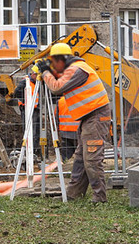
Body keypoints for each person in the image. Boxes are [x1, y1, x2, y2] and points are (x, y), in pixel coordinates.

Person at [36, 42, 111, 203]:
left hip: (96, 116)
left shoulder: (77, 69)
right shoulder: (75, 68)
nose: (53, 65)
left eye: (53, 61)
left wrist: (45, 72)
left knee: (92, 158)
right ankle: (73, 194)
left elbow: (56, 88)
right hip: (89, 116)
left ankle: (100, 197)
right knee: (80, 158)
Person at [12, 65, 41, 155]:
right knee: (30, 131)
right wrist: (27, 102)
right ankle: (29, 150)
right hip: (27, 109)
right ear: (33, 74)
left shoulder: (36, 82)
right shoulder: (25, 82)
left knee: (36, 131)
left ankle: (34, 150)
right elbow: (16, 92)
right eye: (38, 76)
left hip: (35, 109)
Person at [56, 96, 79, 161]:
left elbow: (57, 118)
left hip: (65, 132)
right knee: (81, 155)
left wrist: (58, 131)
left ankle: (64, 166)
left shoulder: (60, 101)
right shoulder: (81, 98)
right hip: (78, 131)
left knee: (66, 155)